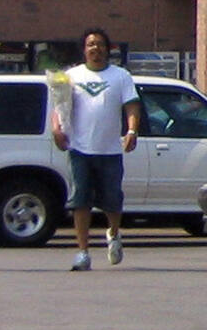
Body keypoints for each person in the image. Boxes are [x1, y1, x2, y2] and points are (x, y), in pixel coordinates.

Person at [51, 27, 142, 271]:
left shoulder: (120, 76)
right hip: (79, 149)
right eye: (91, 44)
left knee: (112, 200)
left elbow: (132, 106)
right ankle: (83, 252)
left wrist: (132, 131)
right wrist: (57, 129)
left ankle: (114, 233)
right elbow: (59, 107)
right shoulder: (72, 76)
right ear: (84, 49)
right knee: (80, 200)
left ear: (107, 49)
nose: (95, 49)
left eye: (100, 44)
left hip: (110, 150)